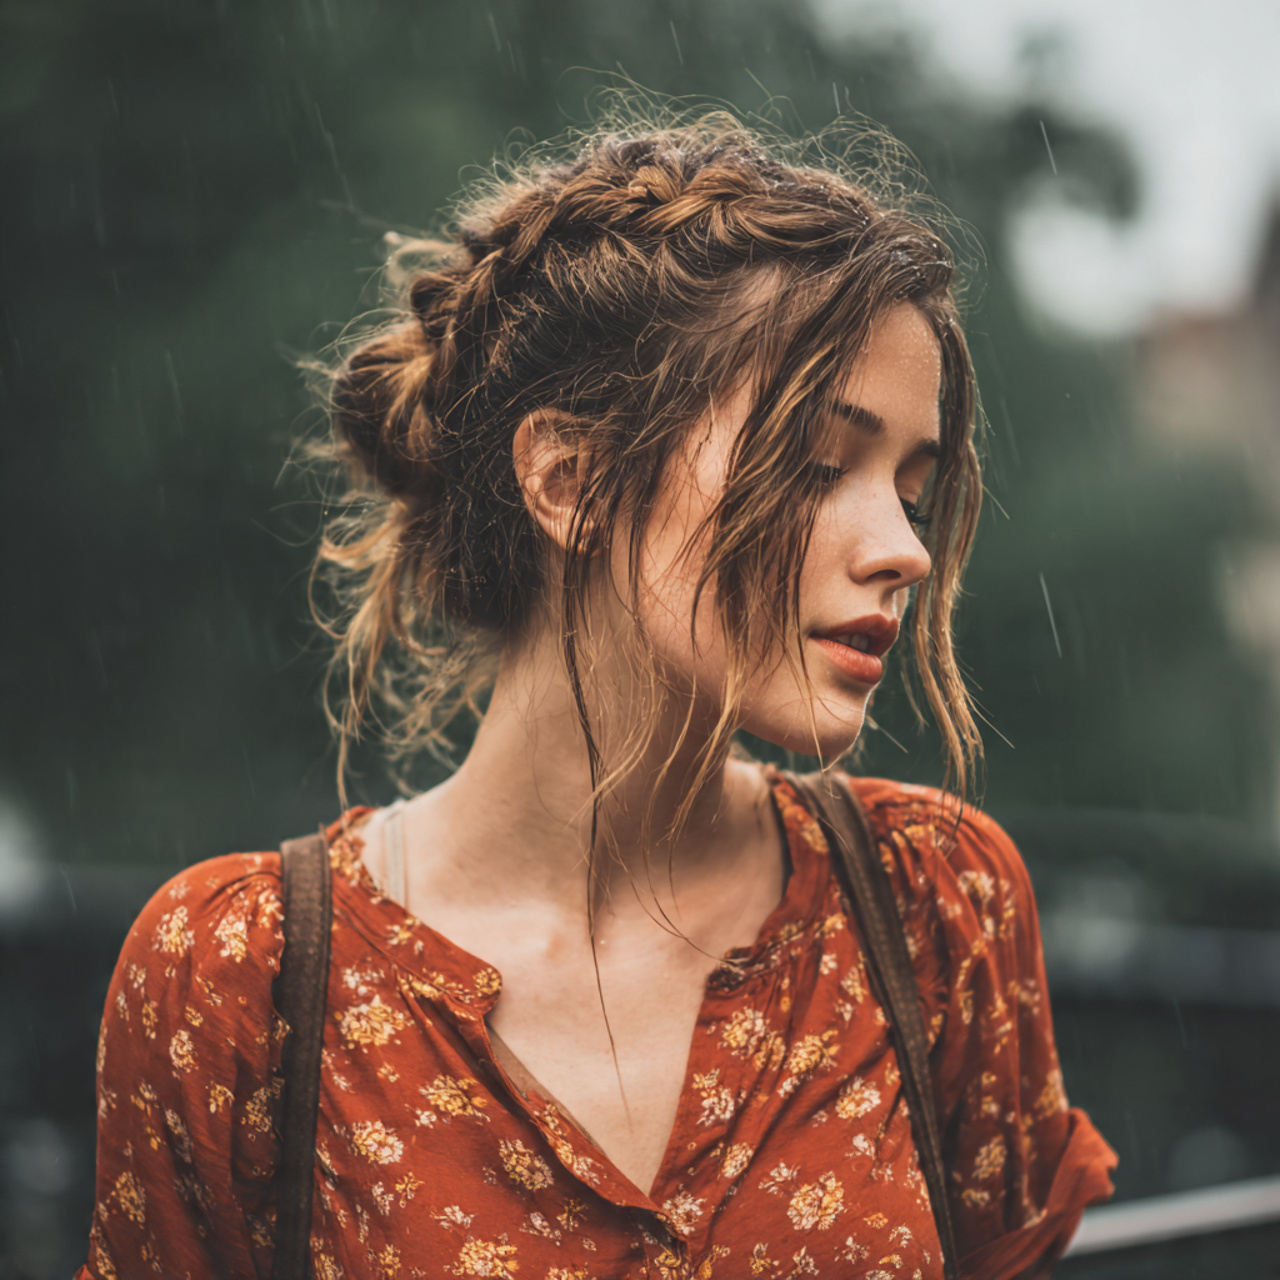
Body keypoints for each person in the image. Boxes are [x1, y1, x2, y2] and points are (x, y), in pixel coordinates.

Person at [78, 112, 1116, 1280]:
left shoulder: (930, 906)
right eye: (817, 464)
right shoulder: (240, 977)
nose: (903, 549)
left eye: (911, 491)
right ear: (569, 480)